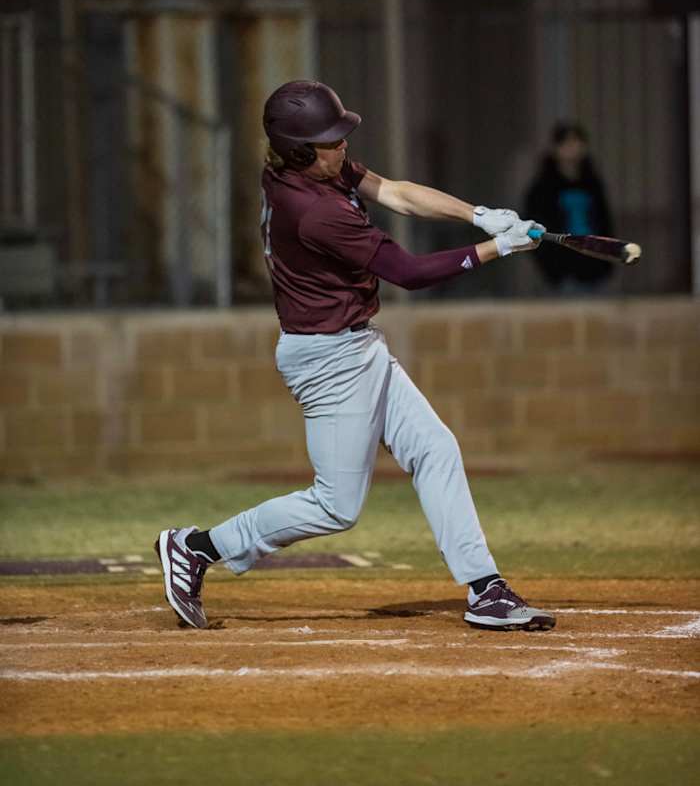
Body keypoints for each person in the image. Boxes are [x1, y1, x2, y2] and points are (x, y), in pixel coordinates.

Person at [155, 80, 556, 633]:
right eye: (329, 140)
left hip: (355, 344)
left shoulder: (304, 169)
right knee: (335, 506)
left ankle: (485, 588)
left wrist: (479, 214)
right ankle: (197, 547)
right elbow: (410, 274)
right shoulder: (314, 210)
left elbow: (394, 192)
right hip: (329, 359)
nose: (341, 146)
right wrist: (497, 249)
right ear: (299, 150)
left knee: (435, 449)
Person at [524, 121, 614, 294]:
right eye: (567, 142)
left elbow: (604, 220)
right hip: (561, 268)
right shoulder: (543, 187)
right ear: (555, 148)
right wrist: (550, 264)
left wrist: (607, 255)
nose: (573, 148)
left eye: (577, 142)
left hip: (594, 262)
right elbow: (533, 226)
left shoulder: (592, 184)